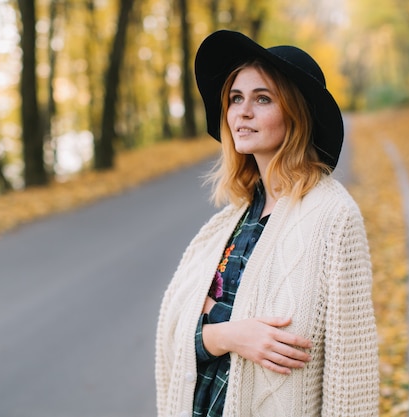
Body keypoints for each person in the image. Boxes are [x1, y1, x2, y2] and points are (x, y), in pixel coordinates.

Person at [155, 30, 379, 417]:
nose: (242, 112)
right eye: (235, 98)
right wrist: (229, 334)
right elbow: (175, 337)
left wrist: (214, 317)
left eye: (263, 99)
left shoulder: (333, 217)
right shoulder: (227, 224)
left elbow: (351, 374)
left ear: (295, 113)